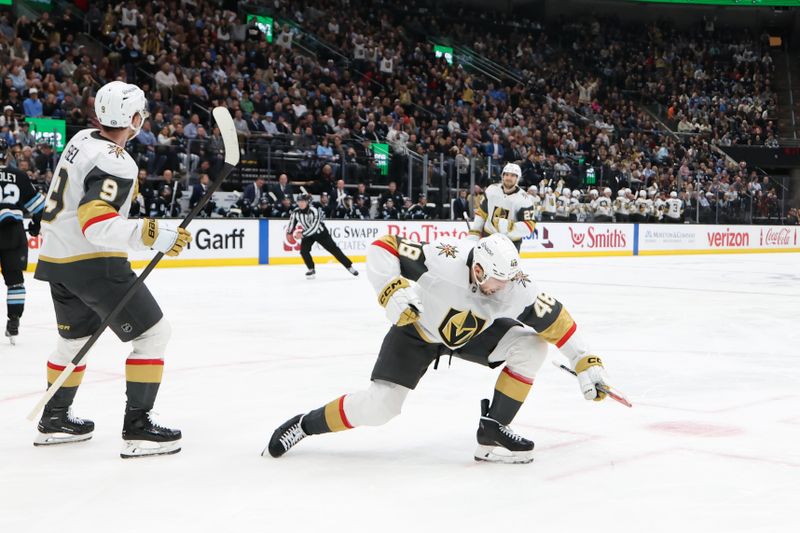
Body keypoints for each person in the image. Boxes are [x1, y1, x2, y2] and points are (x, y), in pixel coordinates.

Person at [265, 233, 614, 463]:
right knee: (380, 408)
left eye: (508, 280)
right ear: (477, 268)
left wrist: (586, 361)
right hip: (416, 330)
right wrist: (389, 288)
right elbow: (383, 246)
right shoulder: (442, 257)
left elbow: (557, 321)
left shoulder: (513, 285)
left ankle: (491, 433)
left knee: (533, 347)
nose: (502, 288)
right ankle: (305, 424)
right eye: (496, 280)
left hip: (472, 334)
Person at [33, 81, 192, 458]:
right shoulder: (115, 161)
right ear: (133, 118)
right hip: (93, 264)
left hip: (57, 260)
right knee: (154, 335)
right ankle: (138, 428)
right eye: (141, 114)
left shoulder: (82, 140)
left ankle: (54, 419)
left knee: (73, 342)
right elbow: (98, 226)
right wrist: (154, 234)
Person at [0, 138, 45, 343]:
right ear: (6, 154)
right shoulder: (18, 175)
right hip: (13, 233)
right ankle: (14, 320)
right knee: (15, 281)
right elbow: (39, 207)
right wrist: (36, 224)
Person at [287, 194, 359, 279]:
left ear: (307, 202)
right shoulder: (295, 212)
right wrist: (289, 232)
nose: (301, 203)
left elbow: (315, 226)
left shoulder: (314, 210)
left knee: (334, 249)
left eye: (303, 201)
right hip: (308, 233)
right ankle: (311, 269)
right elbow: (292, 223)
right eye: (299, 202)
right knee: (303, 251)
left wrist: (302, 234)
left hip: (320, 233)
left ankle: (349, 266)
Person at [469, 163, 535, 250]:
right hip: (488, 238)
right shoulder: (491, 190)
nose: (508, 178)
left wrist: (509, 227)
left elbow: (529, 226)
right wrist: (475, 231)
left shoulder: (524, 200)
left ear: (517, 178)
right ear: (502, 176)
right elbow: (482, 213)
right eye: (506, 174)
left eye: (512, 175)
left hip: (511, 242)